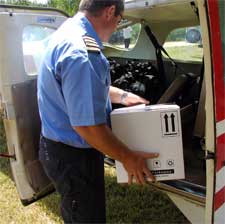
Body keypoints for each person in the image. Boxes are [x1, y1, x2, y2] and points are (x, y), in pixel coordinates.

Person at [37, 0, 159, 223]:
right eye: (119, 21)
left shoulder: (66, 32)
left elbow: (84, 86)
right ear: (110, 12)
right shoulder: (82, 52)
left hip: (57, 147)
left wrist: (123, 96)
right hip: (73, 157)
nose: (115, 28)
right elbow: (87, 126)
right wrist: (128, 158)